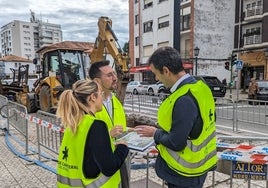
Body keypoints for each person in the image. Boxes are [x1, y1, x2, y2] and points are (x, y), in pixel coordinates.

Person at [134, 47, 217, 188]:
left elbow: (176, 142)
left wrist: (155, 133)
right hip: (200, 165)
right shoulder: (201, 87)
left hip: (184, 173)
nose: (156, 79)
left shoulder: (184, 99)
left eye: (155, 74)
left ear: (166, 71)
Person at [56, 79, 129, 187]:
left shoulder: (72, 123)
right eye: (101, 94)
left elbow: (85, 154)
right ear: (92, 97)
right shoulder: (96, 125)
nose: (102, 98)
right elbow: (109, 167)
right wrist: (122, 147)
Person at [88, 60, 131, 188]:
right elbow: (82, 136)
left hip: (120, 157)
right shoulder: (88, 105)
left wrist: (132, 130)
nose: (115, 78)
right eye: (109, 75)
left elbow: (118, 127)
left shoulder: (115, 102)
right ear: (97, 81)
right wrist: (108, 134)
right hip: (100, 164)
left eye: (114, 74)